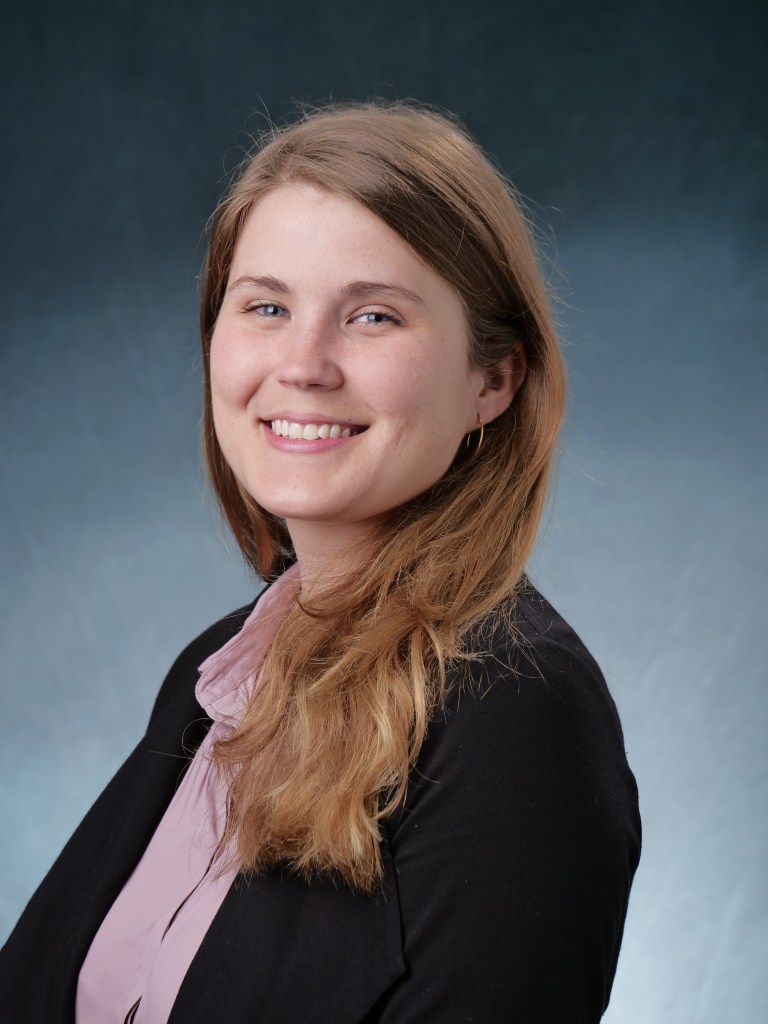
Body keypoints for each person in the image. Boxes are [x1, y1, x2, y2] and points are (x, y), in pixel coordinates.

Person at [1, 102, 641, 1022]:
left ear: (491, 381)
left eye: (373, 316)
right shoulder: (219, 671)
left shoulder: (518, 713)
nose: (302, 365)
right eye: (265, 306)